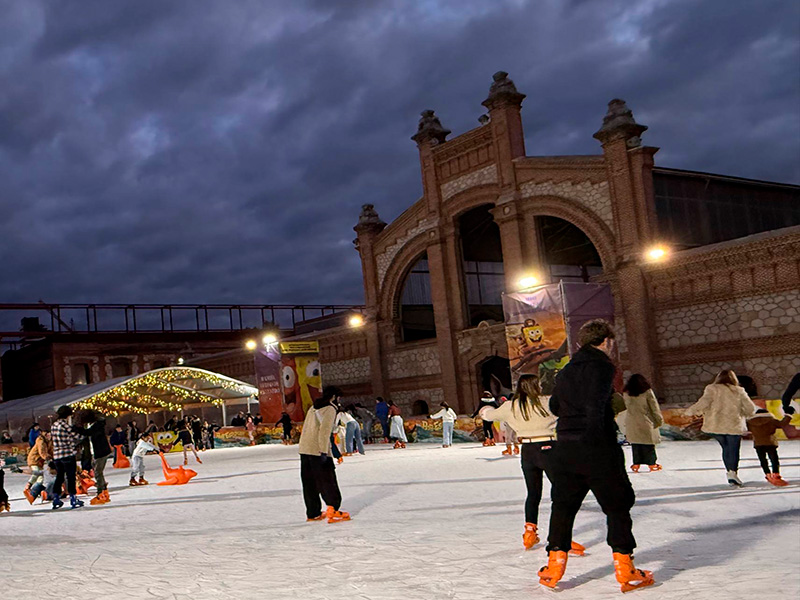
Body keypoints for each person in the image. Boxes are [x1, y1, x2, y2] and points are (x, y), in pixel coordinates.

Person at [538, 320, 653, 593]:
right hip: (596, 446)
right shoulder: (602, 366)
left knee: (563, 505)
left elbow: (555, 405)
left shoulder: (566, 370)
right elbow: (595, 403)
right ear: (606, 341)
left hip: (565, 446)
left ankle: (554, 567)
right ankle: (626, 569)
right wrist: (599, 426)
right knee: (617, 505)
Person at [481, 374, 585, 556]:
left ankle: (530, 532)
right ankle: (560, 537)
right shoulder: (547, 402)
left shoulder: (511, 406)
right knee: (561, 493)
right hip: (550, 448)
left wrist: (486, 408)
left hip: (528, 451)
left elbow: (488, 416)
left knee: (533, 493)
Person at [685, 369, 758, 487]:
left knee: (725, 449)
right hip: (734, 425)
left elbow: (704, 402)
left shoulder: (711, 389)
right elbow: (750, 408)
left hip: (716, 425)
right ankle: (732, 473)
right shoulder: (739, 390)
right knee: (733, 450)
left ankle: (730, 472)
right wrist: (746, 414)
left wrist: (691, 411)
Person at [298, 386, 350, 523]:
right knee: (327, 480)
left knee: (309, 483)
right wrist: (323, 451)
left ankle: (313, 513)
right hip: (318, 449)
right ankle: (333, 509)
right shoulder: (330, 408)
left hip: (305, 449)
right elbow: (324, 431)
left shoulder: (313, 407)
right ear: (334, 397)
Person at [621, 374, 664, 473]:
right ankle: (651, 463)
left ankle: (636, 464)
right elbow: (654, 407)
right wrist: (659, 420)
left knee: (636, 444)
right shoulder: (647, 392)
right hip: (646, 420)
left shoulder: (626, 393)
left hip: (631, 421)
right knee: (648, 444)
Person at [75, 409, 113, 505]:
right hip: (97, 452)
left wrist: (77, 428)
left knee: (98, 472)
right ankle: (104, 492)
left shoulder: (98, 425)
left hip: (101, 452)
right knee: (98, 472)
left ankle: (100, 493)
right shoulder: (94, 424)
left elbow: (88, 433)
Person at [50, 405, 85, 510]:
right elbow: (78, 437)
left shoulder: (53, 425)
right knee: (70, 477)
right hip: (68, 454)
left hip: (57, 455)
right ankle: (73, 498)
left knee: (59, 477)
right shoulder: (65, 426)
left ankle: (56, 498)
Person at [747, 408, 791, 486]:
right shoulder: (771, 420)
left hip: (758, 444)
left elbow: (744, 429)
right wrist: (788, 415)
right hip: (770, 443)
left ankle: (768, 474)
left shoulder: (750, 422)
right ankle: (776, 474)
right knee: (774, 459)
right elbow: (782, 424)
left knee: (763, 460)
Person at [24, 430, 52, 503]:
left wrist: (54, 458)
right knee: (37, 473)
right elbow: (42, 452)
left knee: (40, 478)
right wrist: (48, 459)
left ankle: (34, 494)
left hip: (39, 462)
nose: (50, 437)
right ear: (45, 435)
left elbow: (51, 451)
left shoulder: (48, 442)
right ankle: (28, 489)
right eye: (48, 435)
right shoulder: (41, 441)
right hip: (34, 460)